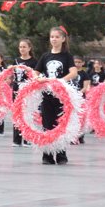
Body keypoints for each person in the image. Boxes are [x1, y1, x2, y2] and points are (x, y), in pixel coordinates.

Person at [33, 27, 77, 165]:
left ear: (63, 39)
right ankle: (47, 155)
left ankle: (61, 154)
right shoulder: (45, 56)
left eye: (57, 37)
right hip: (47, 95)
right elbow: (36, 72)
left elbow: (73, 72)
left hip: (61, 96)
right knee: (47, 125)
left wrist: (60, 81)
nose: (54, 39)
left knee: (60, 125)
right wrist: (39, 78)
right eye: (52, 37)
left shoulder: (67, 56)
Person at [11, 39, 37, 146]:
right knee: (17, 113)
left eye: (24, 47)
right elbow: (12, 75)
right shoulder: (16, 60)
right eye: (20, 47)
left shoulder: (34, 61)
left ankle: (27, 138)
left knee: (27, 113)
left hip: (28, 89)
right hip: (17, 88)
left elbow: (36, 76)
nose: (22, 49)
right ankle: (17, 139)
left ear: (29, 48)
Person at [69, 56, 90, 145]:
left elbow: (85, 88)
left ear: (82, 63)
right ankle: (72, 136)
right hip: (70, 98)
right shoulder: (70, 73)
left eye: (79, 62)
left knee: (80, 118)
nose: (77, 64)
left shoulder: (84, 74)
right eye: (75, 62)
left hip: (80, 98)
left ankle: (80, 136)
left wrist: (77, 94)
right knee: (71, 117)